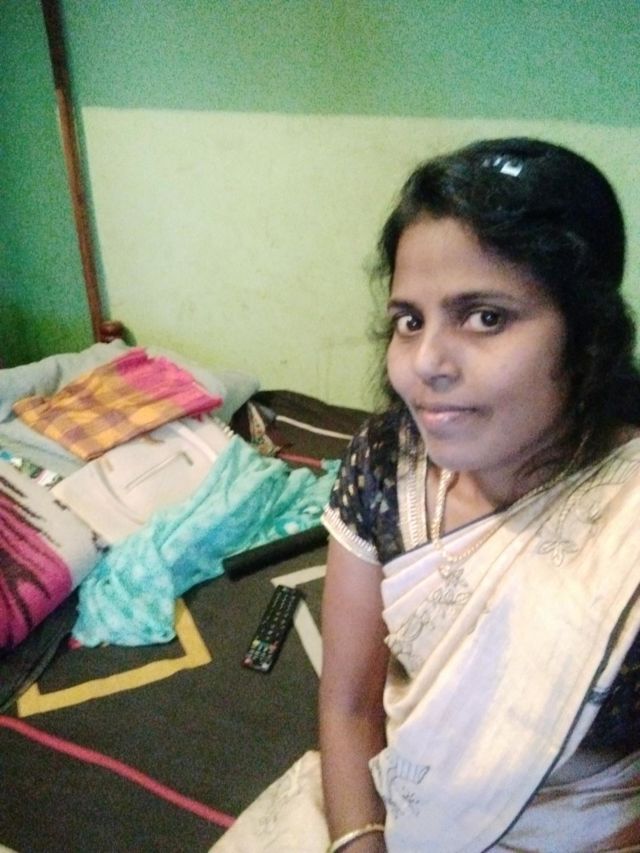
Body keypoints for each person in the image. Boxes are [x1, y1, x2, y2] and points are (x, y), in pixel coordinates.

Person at [212, 138, 640, 852]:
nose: (426, 363)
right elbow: (349, 706)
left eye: (485, 317)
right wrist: (359, 840)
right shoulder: (386, 465)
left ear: (587, 334)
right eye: (409, 320)